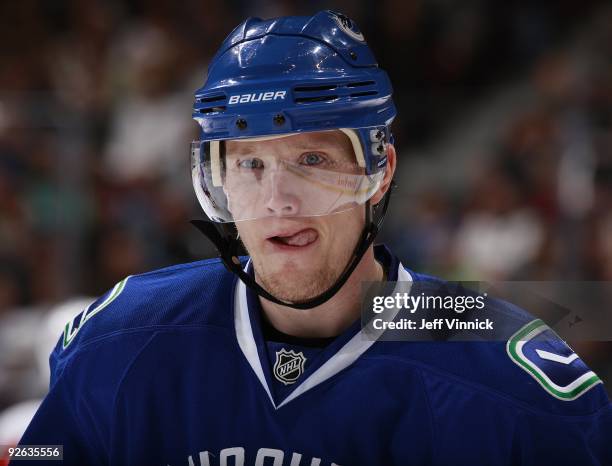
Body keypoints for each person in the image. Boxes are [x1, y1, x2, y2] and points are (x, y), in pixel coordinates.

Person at [14, 10, 612, 466]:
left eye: (311, 159)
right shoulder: (122, 340)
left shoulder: (510, 382)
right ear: (214, 180)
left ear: (380, 174)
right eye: (249, 165)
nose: (279, 199)